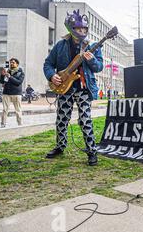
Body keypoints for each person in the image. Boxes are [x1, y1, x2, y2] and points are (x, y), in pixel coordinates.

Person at [43, 9, 104, 166]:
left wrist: (91, 61)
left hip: (84, 89)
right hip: (65, 88)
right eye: (78, 29)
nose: (82, 31)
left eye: (84, 29)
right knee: (61, 120)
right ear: (71, 28)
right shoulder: (60, 45)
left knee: (85, 120)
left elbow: (99, 67)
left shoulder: (92, 46)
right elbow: (48, 63)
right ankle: (60, 146)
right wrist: (51, 75)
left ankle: (91, 152)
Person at [0, 58, 25, 127]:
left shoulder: (21, 73)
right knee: (5, 109)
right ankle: (3, 123)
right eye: (10, 62)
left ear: (17, 64)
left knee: (18, 110)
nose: (11, 64)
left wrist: (10, 77)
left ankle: (19, 124)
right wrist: (2, 75)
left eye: (13, 62)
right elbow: (2, 82)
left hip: (16, 94)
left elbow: (18, 82)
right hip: (6, 93)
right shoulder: (7, 71)